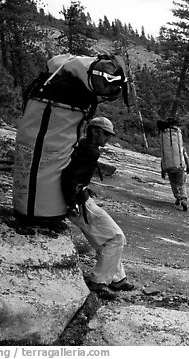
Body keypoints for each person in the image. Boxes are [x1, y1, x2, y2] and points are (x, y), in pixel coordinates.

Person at [61, 116, 134, 296]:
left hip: (77, 198)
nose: (108, 139)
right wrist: (72, 203)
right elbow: (70, 177)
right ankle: (98, 281)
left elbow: (73, 175)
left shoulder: (82, 145)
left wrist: (85, 188)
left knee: (105, 239)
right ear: (96, 131)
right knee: (116, 238)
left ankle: (117, 278)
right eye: (106, 135)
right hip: (78, 202)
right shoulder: (91, 151)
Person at [159, 118, 189, 211]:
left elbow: (163, 156)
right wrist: (188, 166)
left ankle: (178, 197)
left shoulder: (165, 142)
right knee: (181, 184)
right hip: (179, 165)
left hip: (168, 166)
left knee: (173, 183)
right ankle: (183, 198)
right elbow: (185, 155)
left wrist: (162, 170)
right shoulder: (180, 145)